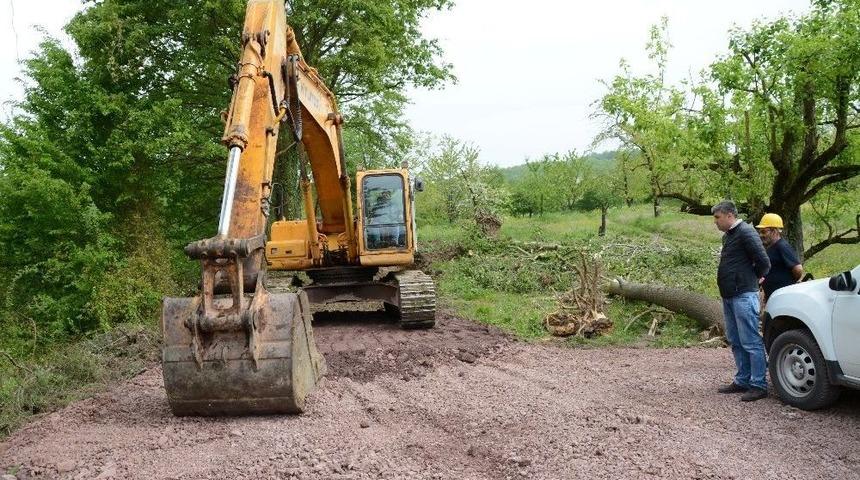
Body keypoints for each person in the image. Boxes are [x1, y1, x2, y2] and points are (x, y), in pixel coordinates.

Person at [712, 200, 771, 402]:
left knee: (750, 341)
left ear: (729, 215)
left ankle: (758, 384)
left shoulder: (746, 232)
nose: (715, 222)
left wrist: (751, 279)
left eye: (717, 217)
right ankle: (743, 380)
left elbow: (764, 262)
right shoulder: (728, 236)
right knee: (736, 340)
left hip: (743, 294)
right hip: (730, 295)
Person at [756, 213, 804, 301]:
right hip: (774, 298)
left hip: (784, 298)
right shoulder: (771, 248)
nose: (760, 235)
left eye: (763, 231)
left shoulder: (782, 246)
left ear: (774, 231)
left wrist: (787, 285)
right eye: (760, 232)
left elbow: (798, 269)